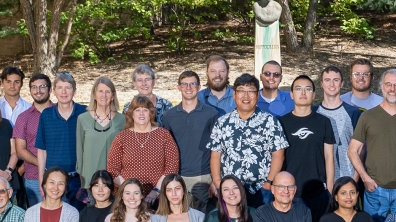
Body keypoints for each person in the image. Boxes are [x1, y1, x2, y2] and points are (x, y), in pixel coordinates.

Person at [349, 69, 396, 222]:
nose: (392, 88)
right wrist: (365, 178)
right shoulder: (368, 116)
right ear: (381, 86)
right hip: (375, 190)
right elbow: (352, 150)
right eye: (388, 84)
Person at [209, 74, 288, 209]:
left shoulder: (270, 121)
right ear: (234, 94)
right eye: (241, 91)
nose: (246, 96)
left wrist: (269, 182)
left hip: (261, 190)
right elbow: (215, 155)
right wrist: (217, 182)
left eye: (251, 91)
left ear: (257, 95)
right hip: (231, 190)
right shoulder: (223, 122)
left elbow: (278, 154)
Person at [280, 75, 336, 222]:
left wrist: (330, 187)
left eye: (308, 89)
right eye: (298, 89)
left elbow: (329, 156)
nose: (303, 93)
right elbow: (277, 157)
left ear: (314, 94)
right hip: (290, 191)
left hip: (318, 191)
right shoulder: (281, 123)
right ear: (291, 94)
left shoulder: (324, 122)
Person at [160, 71, 218, 212]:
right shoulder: (169, 116)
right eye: (184, 84)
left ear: (198, 87)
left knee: (201, 219)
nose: (188, 87)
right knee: (179, 216)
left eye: (192, 84)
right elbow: (166, 150)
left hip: (203, 176)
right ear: (179, 87)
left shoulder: (211, 113)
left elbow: (218, 149)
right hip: (177, 176)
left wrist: (215, 181)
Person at [108, 94, 180, 202]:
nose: (141, 114)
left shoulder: (164, 135)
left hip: (158, 196)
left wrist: (156, 191)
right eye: (137, 110)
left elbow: (172, 166)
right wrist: (131, 192)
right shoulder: (121, 137)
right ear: (131, 114)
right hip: (129, 199)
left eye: (145, 110)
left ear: (151, 113)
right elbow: (112, 169)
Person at [35, 72, 87, 200]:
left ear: (74, 91)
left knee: (79, 217)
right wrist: (42, 179)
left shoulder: (85, 113)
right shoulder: (46, 115)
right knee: (56, 218)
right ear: (53, 91)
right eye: (60, 88)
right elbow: (41, 150)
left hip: (79, 179)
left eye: (68, 88)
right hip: (54, 180)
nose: (64, 92)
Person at [76, 77, 124, 206]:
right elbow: (80, 149)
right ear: (94, 95)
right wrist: (82, 175)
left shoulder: (122, 120)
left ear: (113, 96)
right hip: (91, 177)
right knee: (94, 213)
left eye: (108, 91)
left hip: (115, 179)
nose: (104, 95)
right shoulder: (83, 119)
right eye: (100, 91)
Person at [316, 66, 362, 181]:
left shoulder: (353, 112)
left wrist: (354, 179)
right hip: (319, 179)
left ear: (342, 84)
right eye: (327, 80)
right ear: (321, 84)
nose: (331, 84)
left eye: (336, 80)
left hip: (346, 176)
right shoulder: (313, 111)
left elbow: (360, 148)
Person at [13, 73, 52, 207]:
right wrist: (42, 164)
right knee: (38, 217)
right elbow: (20, 149)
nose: (38, 91)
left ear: (50, 89)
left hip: (59, 176)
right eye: (34, 87)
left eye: (42, 86)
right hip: (33, 177)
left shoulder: (59, 114)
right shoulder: (23, 118)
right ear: (30, 91)